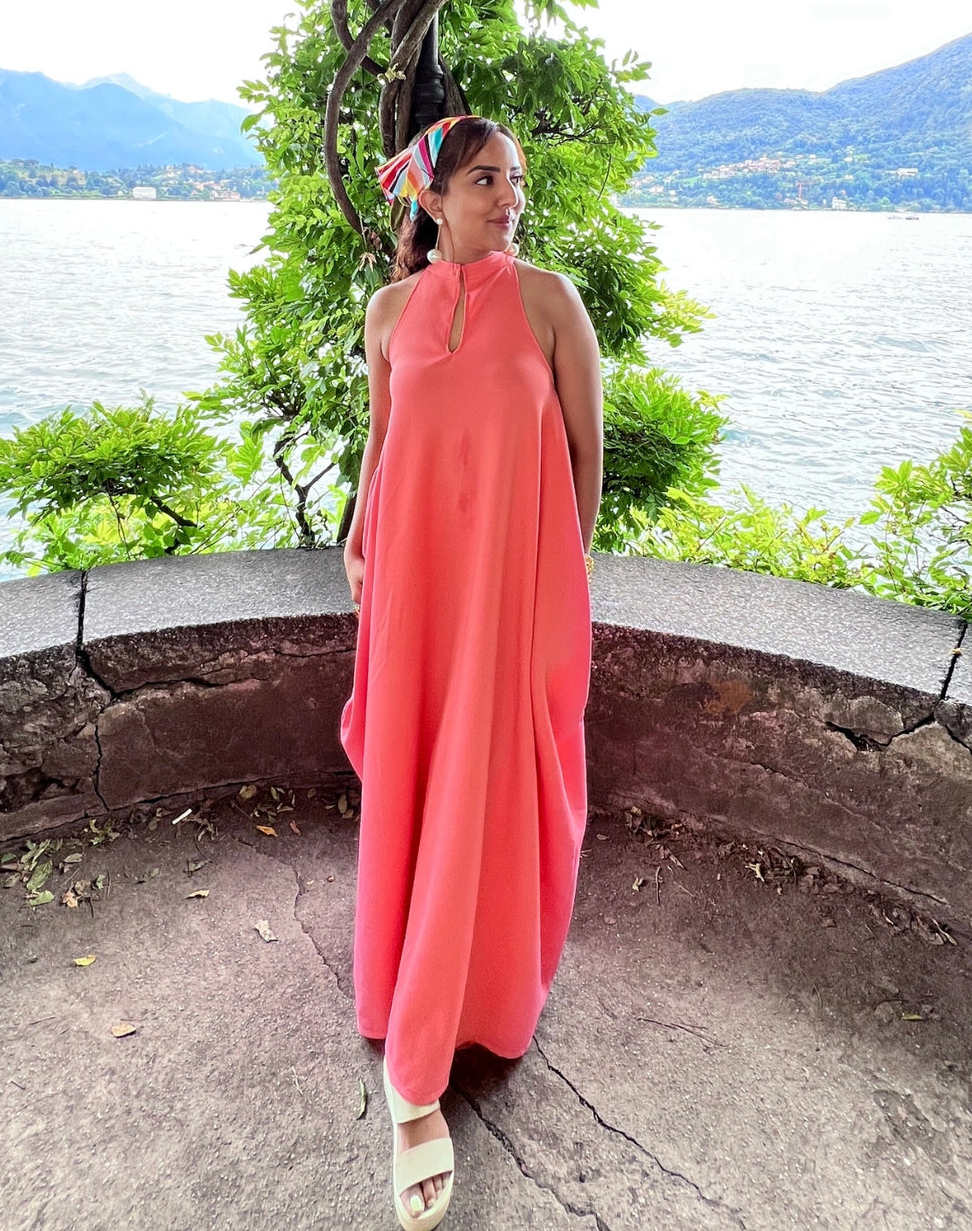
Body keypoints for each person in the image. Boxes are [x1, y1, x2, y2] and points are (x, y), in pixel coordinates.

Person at [340, 114, 603, 1230]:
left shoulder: (550, 301)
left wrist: (555, 581)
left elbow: (589, 455)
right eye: (487, 180)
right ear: (433, 199)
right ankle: (412, 1044)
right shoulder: (389, 311)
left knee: (494, 787)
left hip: (510, 595)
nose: (509, 197)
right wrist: (358, 532)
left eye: (516, 181)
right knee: (416, 776)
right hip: (412, 592)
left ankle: (459, 1013)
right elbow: (383, 435)